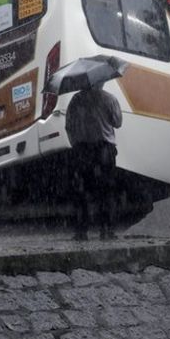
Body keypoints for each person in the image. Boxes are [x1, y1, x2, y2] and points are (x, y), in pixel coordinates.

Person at [65, 82, 122, 241]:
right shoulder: (109, 99)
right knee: (107, 190)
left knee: (82, 191)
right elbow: (118, 123)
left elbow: (68, 125)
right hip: (104, 149)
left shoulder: (76, 100)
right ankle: (107, 230)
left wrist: (75, 144)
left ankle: (81, 231)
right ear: (102, 81)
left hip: (82, 150)